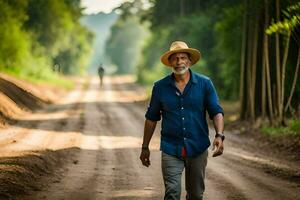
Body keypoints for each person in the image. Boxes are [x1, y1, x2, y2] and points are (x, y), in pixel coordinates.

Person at [139, 41, 225, 200]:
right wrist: (145, 147)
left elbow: (216, 111)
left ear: (190, 61)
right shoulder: (160, 87)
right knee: (172, 192)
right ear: (170, 62)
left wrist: (219, 136)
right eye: (175, 58)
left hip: (198, 147)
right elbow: (151, 118)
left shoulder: (205, 84)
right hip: (171, 148)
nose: (179, 62)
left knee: (196, 195)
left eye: (183, 57)